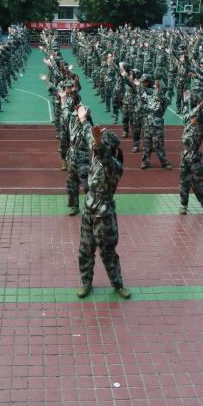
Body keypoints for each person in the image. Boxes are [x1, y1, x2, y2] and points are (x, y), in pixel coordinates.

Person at [77, 127, 131, 300]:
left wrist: (99, 142)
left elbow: (103, 155)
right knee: (85, 250)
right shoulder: (97, 156)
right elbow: (89, 137)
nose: (96, 147)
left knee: (108, 252)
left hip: (104, 216)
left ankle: (118, 284)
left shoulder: (114, 166)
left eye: (102, 145)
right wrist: (83, 117)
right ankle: (86, 283)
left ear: (111, 149)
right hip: (89, 211)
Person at [179, 100, 203, 215]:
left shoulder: (202, 129)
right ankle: (183, 205)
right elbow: (187, 113)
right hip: (184, 156)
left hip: (195, 157)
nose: (192, 118)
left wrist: (200, 110)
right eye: (192, 116)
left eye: (195, 117)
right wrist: (186, 102)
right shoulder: (188, 123)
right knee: (184, 182)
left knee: (198, 182)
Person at [66, 100, 92, 216]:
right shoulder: (73, 123)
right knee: (71, 185)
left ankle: (93, 206)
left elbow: (91, 141)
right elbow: (66, 113)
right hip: (72, 159)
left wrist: (84, 118)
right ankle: (74, 207)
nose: (76, 117)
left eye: (78, 116)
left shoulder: (87, 127)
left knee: (87, 185)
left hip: (83, 161)